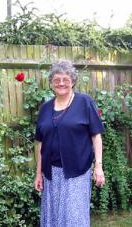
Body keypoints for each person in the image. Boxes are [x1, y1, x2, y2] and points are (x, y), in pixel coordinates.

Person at [34, 60, 105, 226]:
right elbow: (40, 143)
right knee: (52, 217)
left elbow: (96, 136)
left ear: (73, 81)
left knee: (74, 218)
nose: (61, 83)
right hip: (51, 174)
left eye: (66, 79)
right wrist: (38, 173)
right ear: (51, 83)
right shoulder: (45, 108)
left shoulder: (84, 102)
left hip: (77, 173)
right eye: (56, 79)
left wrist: (99, 166)